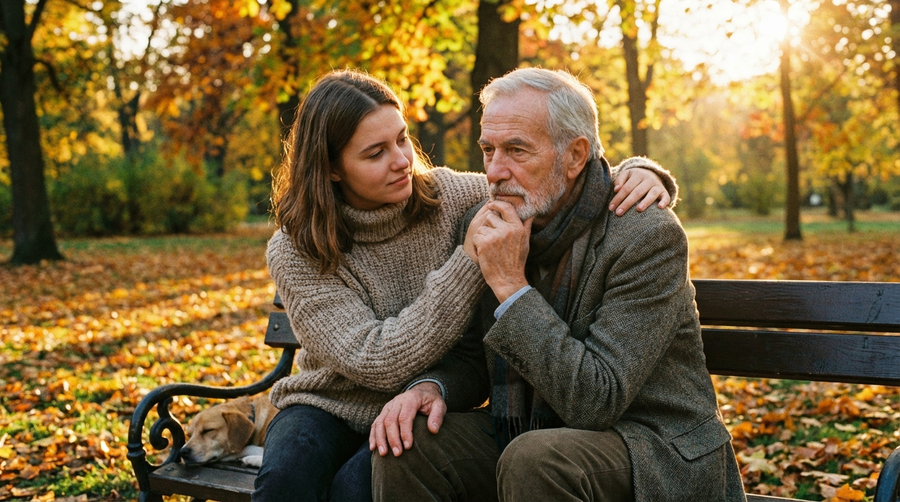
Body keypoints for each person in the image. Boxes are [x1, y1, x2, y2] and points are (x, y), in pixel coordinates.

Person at [255, 69, 677, 502]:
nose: (402, 160)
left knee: (356, 488)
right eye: (375, 153)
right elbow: (376, 358)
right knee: (286, 483)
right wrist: (469, 264)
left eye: (402, 140)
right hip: (333, 403)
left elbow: (568, 173)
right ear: (332, 169)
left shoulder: (456, 200)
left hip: (602, 434)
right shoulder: (297, 248)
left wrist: (643, 172)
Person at [370, 68, 746, 502]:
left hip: (653, 446)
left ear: (574, 156)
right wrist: (429, 388)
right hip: (537, 434)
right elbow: (474, 360)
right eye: (488, 150)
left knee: (535, 457)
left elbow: (597, 399)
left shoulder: (644, 235)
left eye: (516, 150)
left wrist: (512, 286)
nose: (494, 171)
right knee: (408, 444)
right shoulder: (488, 226)